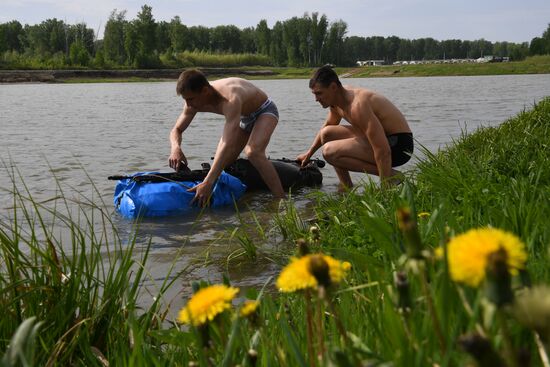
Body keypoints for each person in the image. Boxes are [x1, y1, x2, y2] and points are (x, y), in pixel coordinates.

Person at [169, 69, 285, 206]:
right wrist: (175, 148)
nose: (188, 105)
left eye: (190, 99)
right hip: (244, 116)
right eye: (185, 99)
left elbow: (227, 142)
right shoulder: (192, 102)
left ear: (205, 91)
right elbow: (176, 130)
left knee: (253, 152)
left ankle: (281, 201)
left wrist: (208, 181)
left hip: (265, 110)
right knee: (225, 162)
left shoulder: (230, 99)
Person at [297, 65, 413, 191]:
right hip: (384, 138)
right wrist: (308, 154)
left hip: (399, 146)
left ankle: (392, 177)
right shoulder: (336, 99)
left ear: (333, 87)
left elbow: (382, 150)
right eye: (314, 94)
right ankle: (346, 187)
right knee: (327, 133)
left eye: (319, 93)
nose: (316, 99)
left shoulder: (358, 106)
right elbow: (328, 128)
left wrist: (384, 189)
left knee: (329, 152)